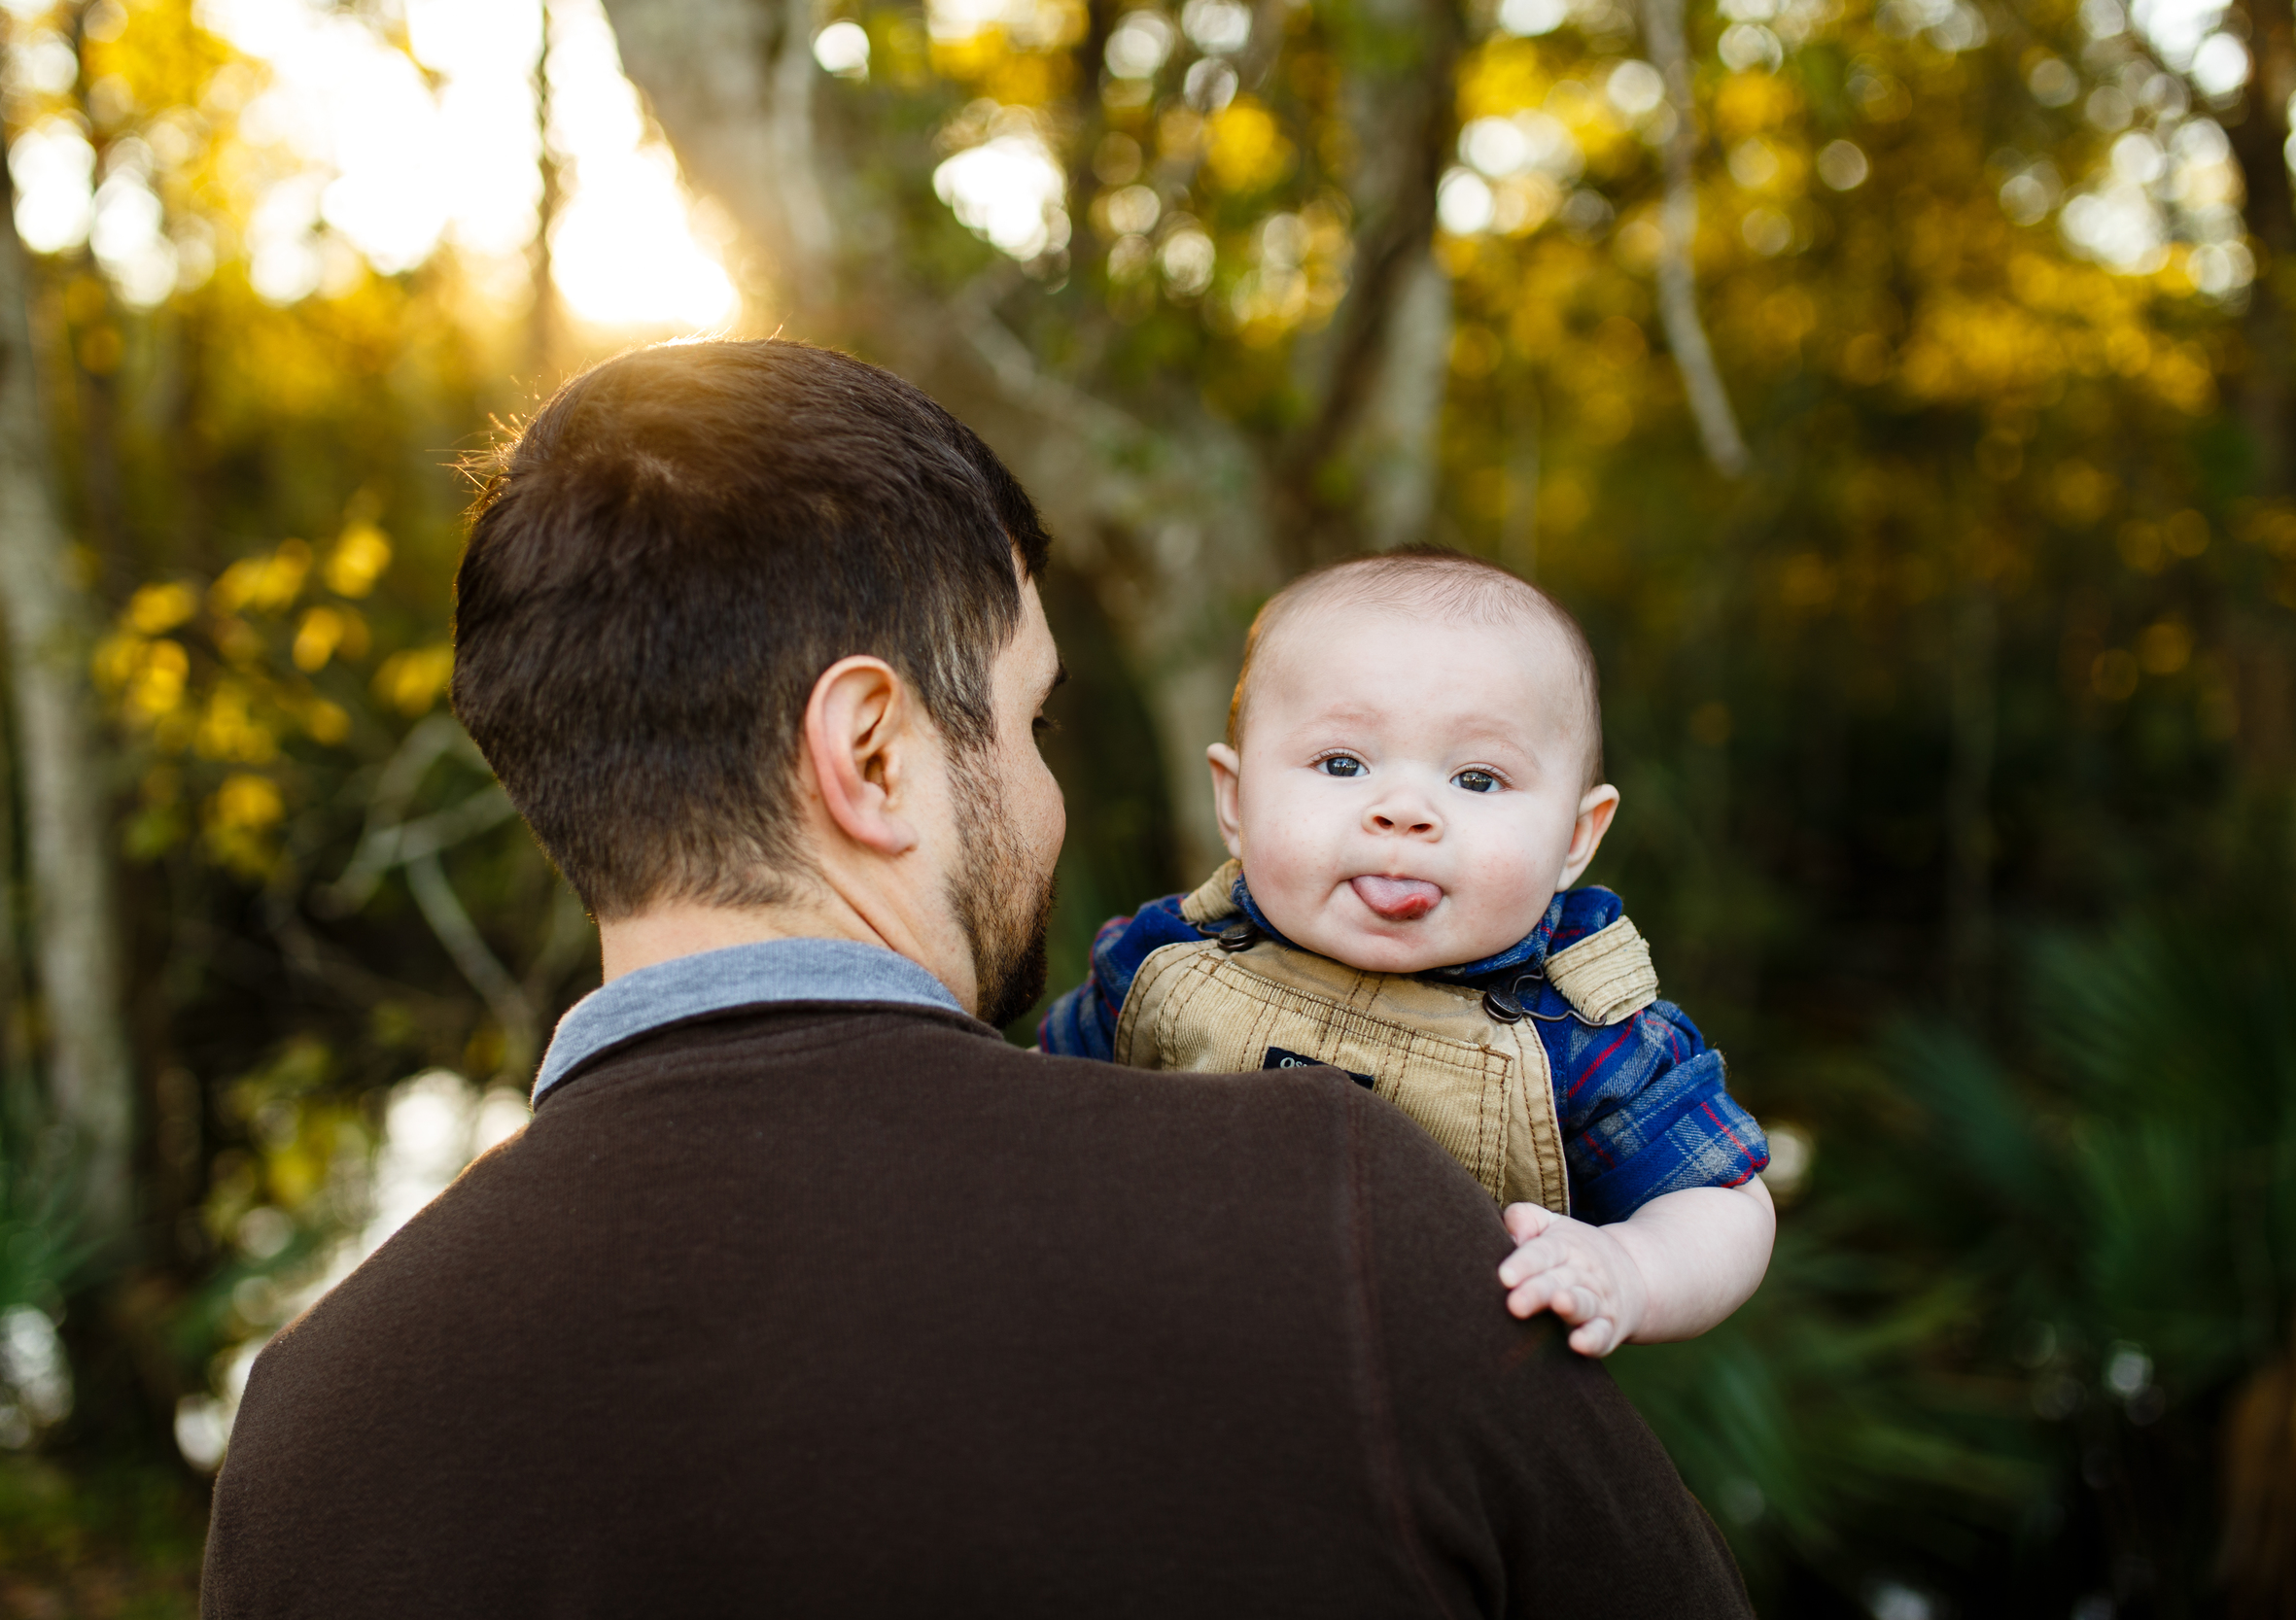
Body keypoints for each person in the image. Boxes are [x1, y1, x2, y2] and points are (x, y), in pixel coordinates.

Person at [199, 339, 1752, 1618]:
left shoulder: (311, 1418)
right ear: (870, 752)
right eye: (1029, 722)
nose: (1052, 796)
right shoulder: (1343, 1196)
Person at [1041, 551, 1775, 1358]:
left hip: (1428, 1419)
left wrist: (1629, 1267)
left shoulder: (1582, 1036)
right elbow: (1039, 1109)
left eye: (1478, 778)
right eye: (1343, 764)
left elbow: (1725, 1201)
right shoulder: (1166, 959)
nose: (1404, 811)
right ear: (1234, 801)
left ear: (1574, 837)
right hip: (1159, 1361)